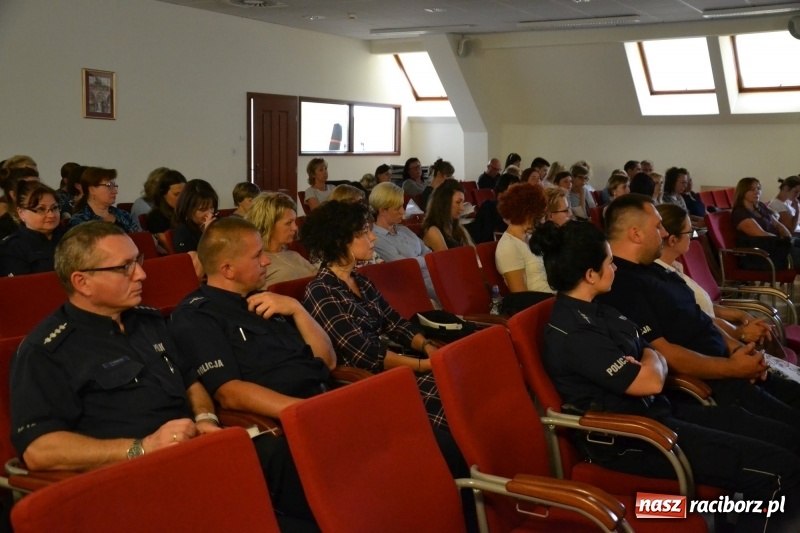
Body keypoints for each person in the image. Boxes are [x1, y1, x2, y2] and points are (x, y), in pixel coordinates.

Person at [9, 221, 316, 531]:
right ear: (82, 282)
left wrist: (206, 418)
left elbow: (190, 379)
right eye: (124, 268)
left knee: (281, 460)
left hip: (191, 455)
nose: (141, 274)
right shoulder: (46, 350)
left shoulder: (148, 322)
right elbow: (39, 449)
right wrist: (141, 447)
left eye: (138, 261)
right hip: (131, 480)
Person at [534, 219, 800, 533]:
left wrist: (650, 359)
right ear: (590, 275)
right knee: (780, 471)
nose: (615, 268)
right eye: (609, 263)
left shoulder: (598, 308)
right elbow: (650, 379)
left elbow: (651, 353)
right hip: (633, 439)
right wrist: (651, 361)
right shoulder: (575, 332)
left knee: (788, 439)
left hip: (659, 414)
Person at [598, 194, 800, 428]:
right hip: (712, 385)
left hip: (729, 365)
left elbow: (699, 317)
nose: (664, 233)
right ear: (636, 233)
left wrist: (738, 348)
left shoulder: (655, 270)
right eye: (657, 226)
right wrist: (731, 368)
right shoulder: (622, 283)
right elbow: (664, 353)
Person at [299, 200, 446, 429]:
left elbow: (395, 323)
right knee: (446, 393)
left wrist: (427, 346)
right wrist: (424, 365)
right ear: (340, 242)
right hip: (365, 380)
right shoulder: (322, 290)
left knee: (458, 380)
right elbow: (365, 354)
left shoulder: (361, 280)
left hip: (393, 366)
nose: (373, 237)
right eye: (364, 233)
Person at [656, 203, 787, 359]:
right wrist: (740, 333)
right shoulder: (661, 279)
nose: (694, 236)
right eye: (690, 232)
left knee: (765, 332)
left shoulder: (674, 267)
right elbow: (703, 320)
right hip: (713, 348)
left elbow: (707, 307)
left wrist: (742, 315)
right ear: (672, 240)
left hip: (722, 336)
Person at [369, 182, 436, 300]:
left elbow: (430, 254)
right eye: (397, 208)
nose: (403, 211)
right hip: (415, 286)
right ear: (383, 211)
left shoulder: (404, 229)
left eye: (402, 206)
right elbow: (404, 266)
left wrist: (419, 259)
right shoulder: (375, 238)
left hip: (432, 277)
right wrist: (423, 257)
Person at [245, 192, 316, 287]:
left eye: (294, 221)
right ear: (268, 225)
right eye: (288, 223)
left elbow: (320, 278)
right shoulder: (257, 262)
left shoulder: (293, 254)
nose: (295, 227)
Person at [731, 177, 800, 271]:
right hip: (763, 254)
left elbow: (778, 225)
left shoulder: (760, 206)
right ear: (743, 192)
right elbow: (762, 235)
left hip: (777, 245)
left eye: (758, 189)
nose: (757, 192)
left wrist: (788, 238)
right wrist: (785, 242)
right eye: (752, 189)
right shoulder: (740, 213)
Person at [1, 181, 66, 276]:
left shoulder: (70, 238)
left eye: (54, 207)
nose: (51, 215)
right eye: (41, 209)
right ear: (21, 212)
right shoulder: (11, 248)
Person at [495, 183, 549, 292]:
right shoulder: (508, 246)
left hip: (553, 297)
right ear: (528, 213)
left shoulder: (529, 237)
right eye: (539, 215)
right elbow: (520, 294)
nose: (542, 220)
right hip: (541, 303)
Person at [69, 167, 141, 233]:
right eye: (109, 186)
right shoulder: (80, 221)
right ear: (92, 189)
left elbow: (141, 238)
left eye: (115, 186)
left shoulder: (123, 215)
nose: (115, 191)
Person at [422, 179, 472, 252]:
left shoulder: (457, 228)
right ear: (444, 204)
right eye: (458, 202)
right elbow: (448, 261)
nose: (462, 208)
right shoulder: (433, 231)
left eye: (462, 202)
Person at [146, 169, 187, 251]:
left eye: (184, 194)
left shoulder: (189, 212)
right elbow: (169, 247)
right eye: (176, 194)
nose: (181, 198)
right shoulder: (156, 216)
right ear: (163, 194)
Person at [173, 179, 218, 253]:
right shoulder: (183, 233)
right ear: (188, 209)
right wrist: (208, 234)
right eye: (203, 209)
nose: (210, 214)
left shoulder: (219, 222)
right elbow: (196, 263)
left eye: (212, 207)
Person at [0, 167, 40, 240]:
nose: (37, 192)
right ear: (13, 195)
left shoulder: (49, 218)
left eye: (39, 187)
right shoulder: (4, 226)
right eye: (27, 188)